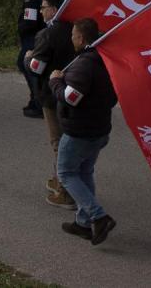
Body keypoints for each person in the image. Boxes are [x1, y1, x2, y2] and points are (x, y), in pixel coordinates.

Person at [51, 17, 118, 245]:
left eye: (72, 35)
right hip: (98, 129)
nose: (71, 38)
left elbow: (72, 98)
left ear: (80, 37)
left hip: (80, 131)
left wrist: (56, 82)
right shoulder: (103, 60)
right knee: (85, 172)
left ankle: (99, 217)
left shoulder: (84, 64)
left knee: (66, 173)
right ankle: (82, 222)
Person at [28, 0, 77, 207]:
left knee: (58, 141)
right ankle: (59, 179)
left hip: (52, 93)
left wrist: (28, 57)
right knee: (68, 140)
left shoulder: (48, 35)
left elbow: (37, 67)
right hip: (75, 92)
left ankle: (65, 190)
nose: (41, 11)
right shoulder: (77, 30)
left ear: (55, 9)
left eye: (44, 6)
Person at [17, 0, 53, 118]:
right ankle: (38, 99)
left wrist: (22, 28)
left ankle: (38, 102)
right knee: (34, 66)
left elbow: (30, 17)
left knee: (27, 65)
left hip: (32, 36)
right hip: (41, 33)